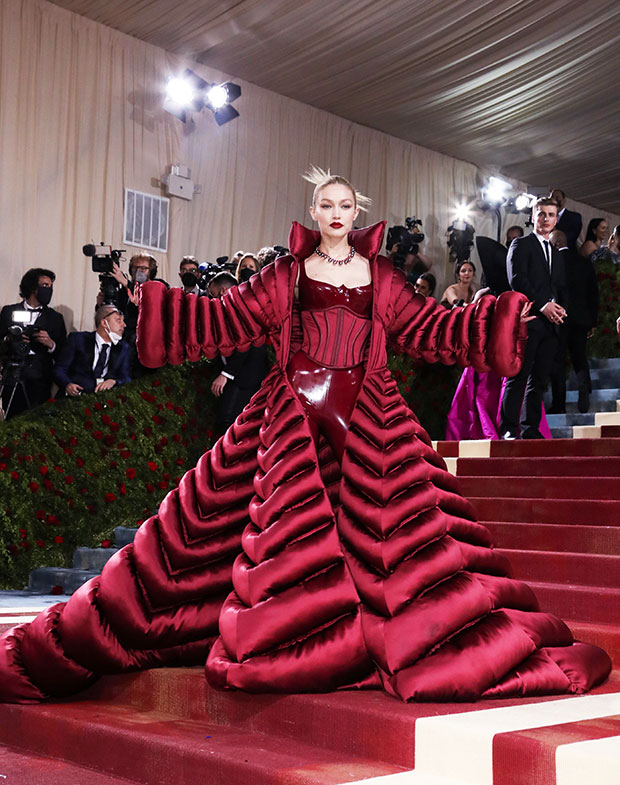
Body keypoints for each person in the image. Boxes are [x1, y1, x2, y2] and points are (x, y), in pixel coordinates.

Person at [0, 170, 610, 706]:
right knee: (211, 531)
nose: (338, 213)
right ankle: (290, 636)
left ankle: (372, 639)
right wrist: (159, 305)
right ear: (315, 213)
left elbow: (428, 327)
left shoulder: (383, 275)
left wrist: (495, 318)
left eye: (347, 204)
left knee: (399, 539)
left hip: (371, 414)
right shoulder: (284, 273)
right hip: (290, 411)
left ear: (356, 213)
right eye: (328, 204)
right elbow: (227, 317)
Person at [500, 198, 567, 440]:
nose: (546, 219)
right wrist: (543, 305)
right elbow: (517, 279)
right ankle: (508, 428)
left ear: (556, 219)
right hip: (528, 322)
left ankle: (530, 429)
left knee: (539, 379)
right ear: (533, 216)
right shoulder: (521, 244)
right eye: (541, 214)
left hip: (551, 325)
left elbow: (559, 287)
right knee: (518, 376)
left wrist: (560, 310)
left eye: (551, 215)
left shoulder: (557, 254)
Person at [0, 268, 67, 418]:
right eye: (45, 285)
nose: (49, 290)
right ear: (32, 287)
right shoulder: (9, 312)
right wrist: (10, 339)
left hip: (40, 379)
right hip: (12, 375)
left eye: (50, 286)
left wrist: (51, 344)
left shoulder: (55, 318)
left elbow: (63, 352)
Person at [548, 229, 598, 414]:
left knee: (557, 360)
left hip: (559, 317)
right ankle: (584, 389)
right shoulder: (584, 263)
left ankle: (559, 404)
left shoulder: (553, 263)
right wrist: (592, 321)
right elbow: (594, 293)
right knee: (579, 356)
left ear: (556, 244)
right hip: (582, 318)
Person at [54, 305, 131, 396]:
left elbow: (126, 377)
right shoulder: (78, 339)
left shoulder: (123, 348)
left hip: (103, 400)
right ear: (104, 323)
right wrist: (67, 384)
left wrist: (113, 381)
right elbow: (59, 369)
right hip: (74, 398)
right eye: (118, 320)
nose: (124, 325)